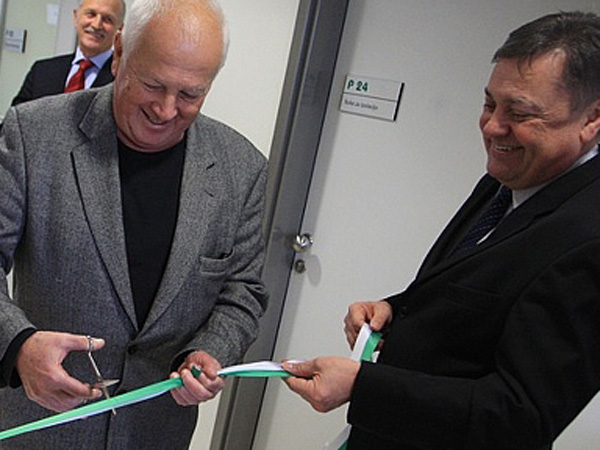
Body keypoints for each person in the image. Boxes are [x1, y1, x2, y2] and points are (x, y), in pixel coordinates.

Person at [283, 11, 600, 450]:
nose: (492, 127)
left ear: (592, 119)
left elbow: (518, 417)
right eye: (489, 104)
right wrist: (395, 309)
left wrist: (361, 386)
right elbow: (476, 295)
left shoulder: (588, 238)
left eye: (520, 113)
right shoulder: (508, 178)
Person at [0, 0, 267, 448]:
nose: (166, 109)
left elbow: (243, 290)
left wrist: (211, 349)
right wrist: (18, 345)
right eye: (153, 85)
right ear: (120, 52)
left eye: (190, 95)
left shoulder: (241, 169)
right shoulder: (34, 134)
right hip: (43, 427)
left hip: (156, 431)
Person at [11, 0, 125, 106]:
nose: (96, 25)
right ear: (76, 17)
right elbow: (15, 118)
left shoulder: (123, 81)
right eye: (91, 14)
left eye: (107, 19)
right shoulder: (41, 71)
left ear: (120, 29)